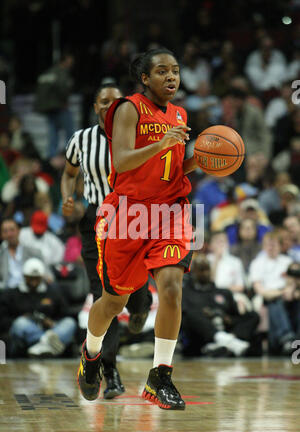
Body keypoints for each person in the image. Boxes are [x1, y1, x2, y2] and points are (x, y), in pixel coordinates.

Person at [77, 48, 197, 410]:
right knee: (115, 301)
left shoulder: (179, 113)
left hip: (170, 211)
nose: (171, 77)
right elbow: (124, 161)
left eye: (175, 71)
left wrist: (203, 161)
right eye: (162, 72)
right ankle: (91, 353)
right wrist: (162, 143)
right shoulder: (128, 108)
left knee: (172, 288)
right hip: (128, 214)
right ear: (145, 78)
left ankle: (160, 376)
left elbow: (172, 171)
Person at [61, 82, 152, 400]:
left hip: (134, 220)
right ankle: (108, 369)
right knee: (106, 296)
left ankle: (143, 305)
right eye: (103, 101)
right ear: (95, 106)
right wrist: (67, 197)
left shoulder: (139, 136)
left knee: (136, 296)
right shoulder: (81, 139)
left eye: (116, 101)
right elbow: (69, 172)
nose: (109, 105)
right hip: (96, 224)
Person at [181, 255, 259, 357]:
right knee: (189, 316)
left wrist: (227, 318)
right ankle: (226, 342)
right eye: (201, 269)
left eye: (207, 269)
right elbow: (184, 315)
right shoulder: (185, 293)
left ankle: (225, 341)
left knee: (253, 316)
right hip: (200, 334)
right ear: (193, 272)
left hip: (225, 327)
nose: (205, 273)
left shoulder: (223, 292)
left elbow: (236, 315)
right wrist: (205, 315)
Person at [1, 258, 77, 358]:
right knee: (20, 323)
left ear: (42, 277)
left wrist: (51, 322)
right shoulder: (11, 294)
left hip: (51, 329)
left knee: (70, 322)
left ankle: (42, 346)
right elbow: (3, 319)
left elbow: (64, 313)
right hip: (28, 330)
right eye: (31, 278)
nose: (34, 281)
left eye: (37, 278)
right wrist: (23, 318)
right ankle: (47, 343)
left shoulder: (53, 292)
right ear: (24, 276)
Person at [249, 232, 293, 355]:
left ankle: (282, 341)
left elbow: (291, 283)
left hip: (284, 294)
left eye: (274, 244)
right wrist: (277, 293)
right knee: (274, 301)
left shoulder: (287, 261)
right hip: (264, 295)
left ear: (280, 246)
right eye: (268, 245)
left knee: (281, 301)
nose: (271, 247)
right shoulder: (257, 263)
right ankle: (286, 337)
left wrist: (287, 290)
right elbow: (258, 288)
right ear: (263, 246)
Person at [34, 52, 75, 159]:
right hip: (60, 107)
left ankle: (51, 157)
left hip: (49, 108)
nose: (71, 64)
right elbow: (63, 89)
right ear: (65, 61)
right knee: (69, 133)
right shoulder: (61, 73)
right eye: (70, 61)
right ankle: (71, 155)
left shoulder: (48, 73)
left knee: (53, 135)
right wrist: (65, 97)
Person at [0, 218, 43, 290]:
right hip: (6, 292)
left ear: (18, 231)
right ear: (1, 235)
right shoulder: (1, 253)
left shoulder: (34, 253)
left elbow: (47, 274)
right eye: (5, 231)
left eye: (12, 230)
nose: (9, 234)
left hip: (28, 291)